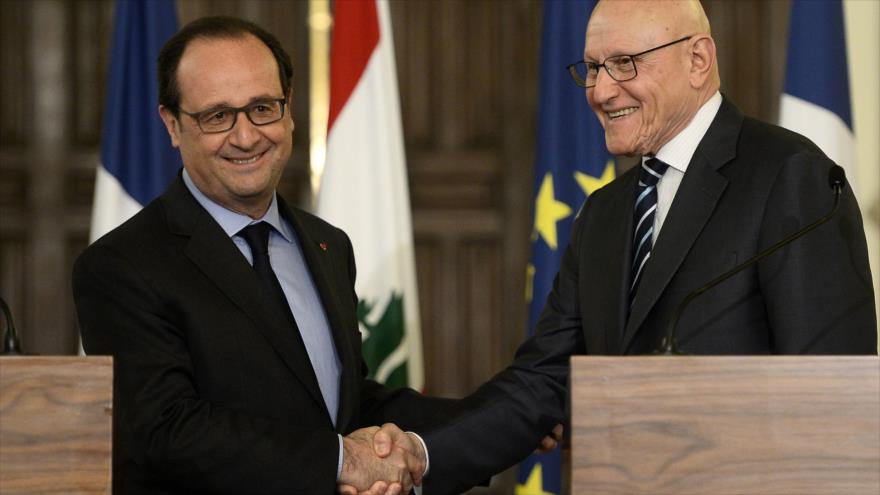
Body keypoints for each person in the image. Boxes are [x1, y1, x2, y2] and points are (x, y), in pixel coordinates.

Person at [393, 1, 877, 493]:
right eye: (595, 68)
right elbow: (543, 379)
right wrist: (421, 454)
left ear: (698, 60)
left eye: (626, 63)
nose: (602, 91)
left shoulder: (790, 176)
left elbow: (829, 397)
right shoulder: (605, 212)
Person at [73, 16, 447, 495]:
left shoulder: (327, 244)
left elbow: (342, 403)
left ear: (288, 111)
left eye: (262, 108)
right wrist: (341, 461)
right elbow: (167, 432)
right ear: (172, 125)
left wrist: (503, 421)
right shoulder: (120, 265)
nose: (246, 137)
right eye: (217, 116)